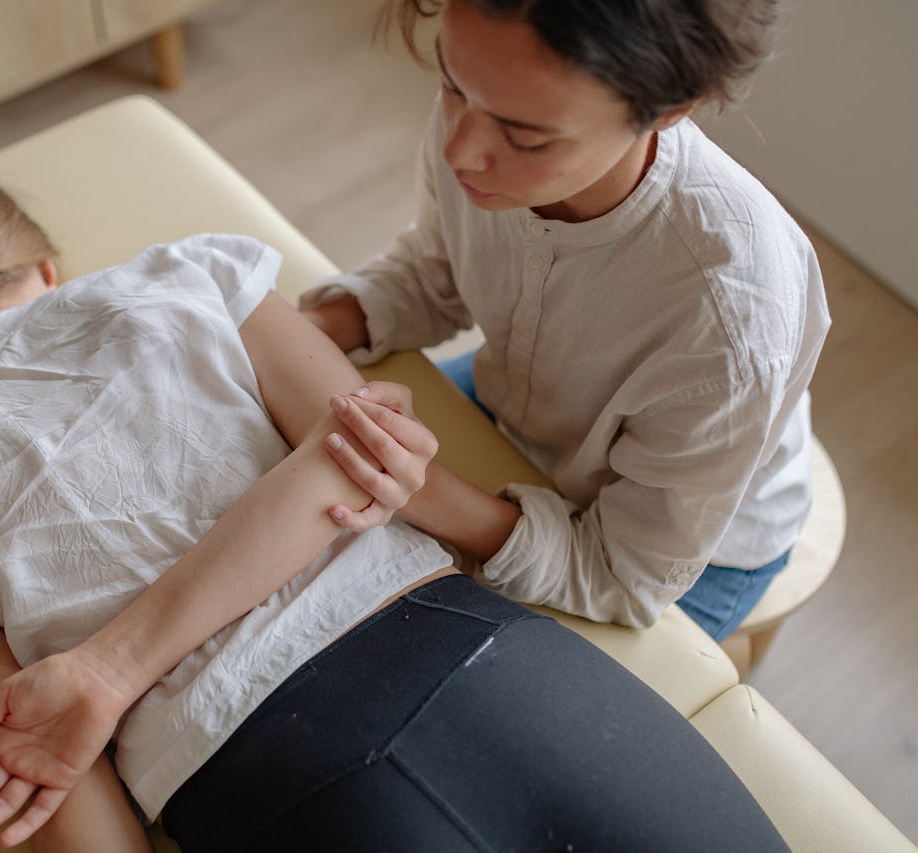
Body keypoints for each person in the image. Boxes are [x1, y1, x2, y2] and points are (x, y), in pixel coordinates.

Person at [0, 171, 787, 852]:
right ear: (44, 265)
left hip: (253, 779)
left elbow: (41, 758)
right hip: (466, 650)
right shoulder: (188, 274)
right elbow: (361, 458)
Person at [301, 0, 831, 640]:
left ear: (667, 110)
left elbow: (621, 576)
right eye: (451, 83)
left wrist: (421, 491)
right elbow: (436, 272)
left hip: (679, 555)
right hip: (528, 408)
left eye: (525, 138)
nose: (460, 149)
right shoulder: (492, 101)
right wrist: (311, 327)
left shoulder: (730, 322)